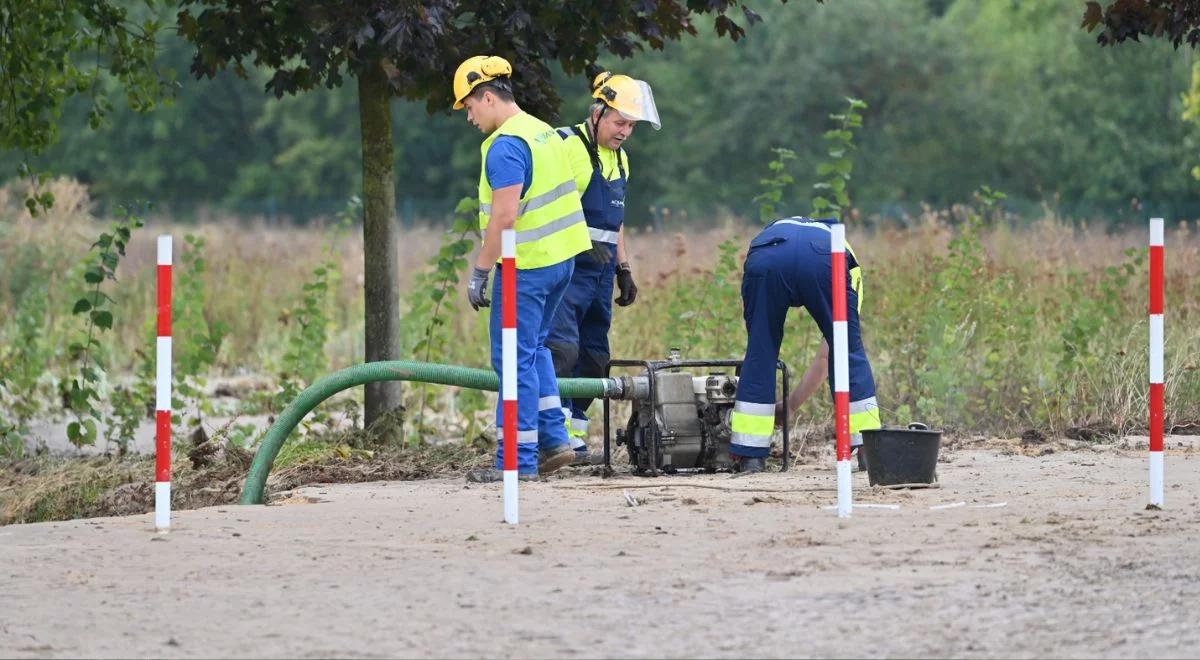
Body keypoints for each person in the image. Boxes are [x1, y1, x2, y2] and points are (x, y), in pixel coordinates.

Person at [452, 55, 592, 482]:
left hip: (527, 268)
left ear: (488, 97)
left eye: (469, 108)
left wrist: (480, 270)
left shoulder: (507, 146)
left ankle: (517, 462)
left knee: (512, 360)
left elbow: (505, 216)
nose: (470, 118)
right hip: (562, 261)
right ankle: (553, 440)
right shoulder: (542, 131)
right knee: (534, 352)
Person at [546, 72, 661, 464]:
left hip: (601, 272)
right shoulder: (565, 145)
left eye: (631, 125)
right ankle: (554, 436)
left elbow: (616, 220)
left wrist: (623, 268)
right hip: (567, 267)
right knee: (561, 348)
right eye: (619, 122)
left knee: (594, 355)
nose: (625, 131)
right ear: (597, 113)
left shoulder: (621, 158)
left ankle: (576, 429)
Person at [730, 217, 882, 473]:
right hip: (824, 257)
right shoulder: (844, 253)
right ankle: (868, 449)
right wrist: (791, 405)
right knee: (847, 350)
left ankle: (750, 457)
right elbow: (829, 355)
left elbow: (760, 351)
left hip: (768, 253)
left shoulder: (777, 229)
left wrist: (788, 406)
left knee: (760, 350)